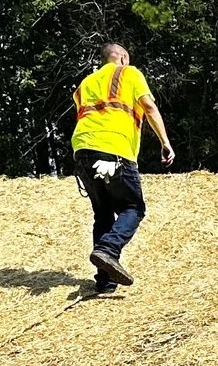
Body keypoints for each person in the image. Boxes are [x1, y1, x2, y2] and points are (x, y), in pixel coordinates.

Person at [69, 43, 174, 292]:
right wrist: (165, 142)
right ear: (123, 57)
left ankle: (105, 279)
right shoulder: (130, 73)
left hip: (83, 150)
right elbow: (148, 106)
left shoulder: (85, 84)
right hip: (115, 147)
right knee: (133, 207)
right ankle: (108, 250)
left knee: (103, 212)